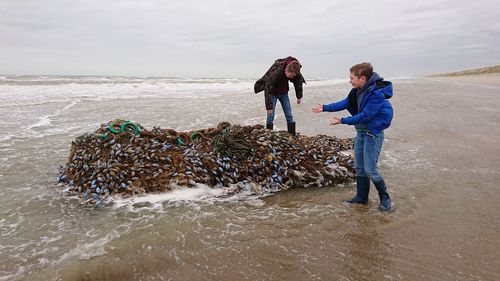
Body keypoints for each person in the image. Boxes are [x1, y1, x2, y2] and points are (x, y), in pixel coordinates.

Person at [312, 62, 393, 212]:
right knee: (360, 168)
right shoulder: (358, 90)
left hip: (372, 134)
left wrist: (343, 121)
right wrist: (324, 108)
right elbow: (345, 103)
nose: (349, 80)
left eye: (352, 78)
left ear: (362, 78)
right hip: (361, 133)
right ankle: (361, 198)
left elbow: (366, 115)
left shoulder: (375, 93)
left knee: (370, 170)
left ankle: (386, 199)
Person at [254, 56, 306, 135]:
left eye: (293, 76)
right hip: (273, 93)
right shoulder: (277, 71)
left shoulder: (295, 69)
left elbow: (298, 83)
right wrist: (269, 107)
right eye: (291, 76)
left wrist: (299, 96)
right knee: (270, 115)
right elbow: (268, 87)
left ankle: (292, 134)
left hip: (284, 93)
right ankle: (268, 134)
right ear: (286, 70)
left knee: (289, 115)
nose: (292, 77)